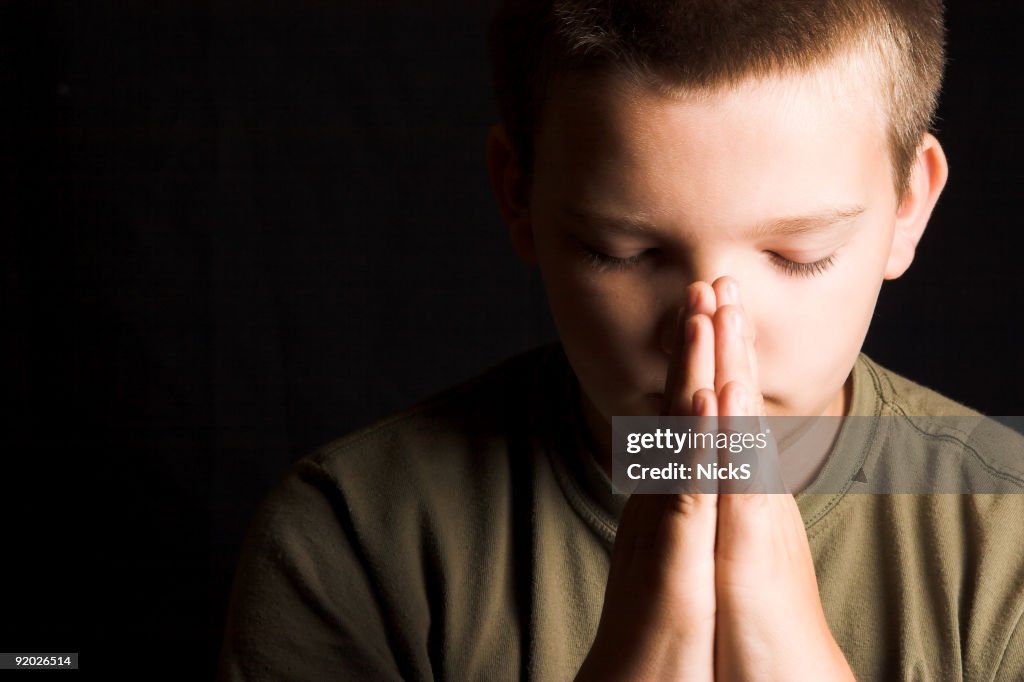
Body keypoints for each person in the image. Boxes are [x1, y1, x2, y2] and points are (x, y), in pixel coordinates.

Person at [218, 1, 1024, 679]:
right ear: (519, 195)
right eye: (624, 253)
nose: (711, 331)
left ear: (908, 207)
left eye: (795, 255)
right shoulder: (353, 538)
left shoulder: (1008, 537)